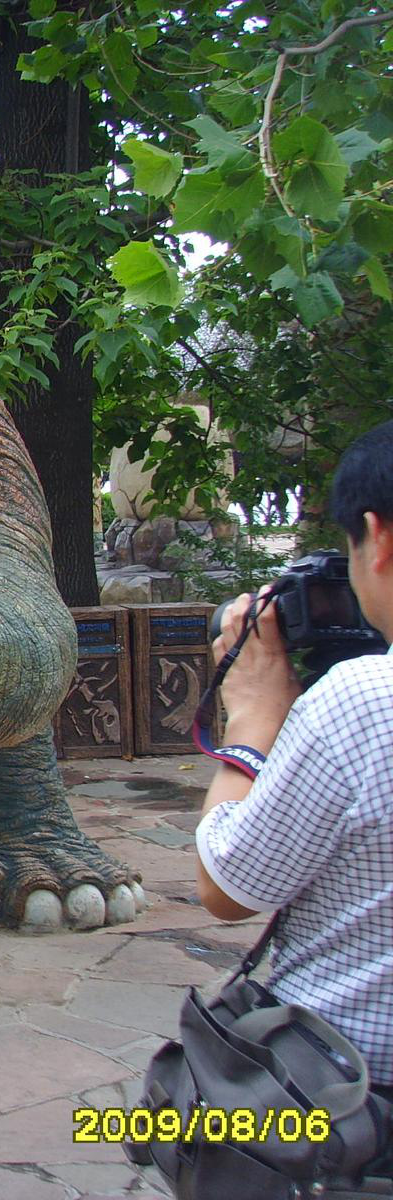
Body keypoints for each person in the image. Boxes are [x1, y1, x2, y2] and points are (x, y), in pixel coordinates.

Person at [196, 419, 393, 1091]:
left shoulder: (362, 702)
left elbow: (227, 888)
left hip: (349, 1099)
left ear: (379, 538)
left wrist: (252, 717)